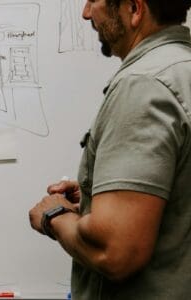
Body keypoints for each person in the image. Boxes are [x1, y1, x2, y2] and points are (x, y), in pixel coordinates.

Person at [29, 0, 191, 299]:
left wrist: (53, 215)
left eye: (94, 1)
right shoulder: (182, 69)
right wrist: (97, 194)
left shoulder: (143, 85)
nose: (86, 12)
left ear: (134, 8)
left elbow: (115, 252)